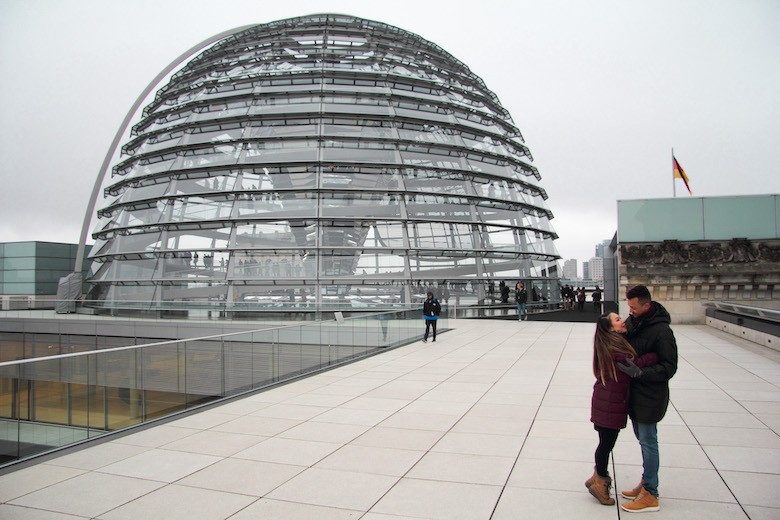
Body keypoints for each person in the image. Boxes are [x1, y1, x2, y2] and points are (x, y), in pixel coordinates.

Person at [616, 285, 678, 513]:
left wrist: (641, 372)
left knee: (649, 442)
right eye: (628, 306)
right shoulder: (635, 322)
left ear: (646, 304)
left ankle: (651, 493)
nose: (629, 311)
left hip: (650, 395)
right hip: (635, 393)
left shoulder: (661, 331)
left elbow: (669, 367)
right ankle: (646, 481)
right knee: (643, 441)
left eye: (633, 307)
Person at [587, 313, 658, 506]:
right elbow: (634, 363)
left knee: (605, 443)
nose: (623, 321)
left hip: (608, 400)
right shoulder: (613, 347)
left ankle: (596, 476)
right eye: (618, 320)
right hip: (610, 403)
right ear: (611, 329)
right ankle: (600, 481)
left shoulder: (611, 341)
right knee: (606, 444)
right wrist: (654, 355)